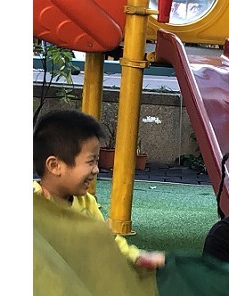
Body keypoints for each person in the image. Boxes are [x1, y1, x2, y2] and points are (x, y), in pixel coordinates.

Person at [33, 109, 165, 269]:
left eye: (97, 161)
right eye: (90, 162)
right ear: (55, 166)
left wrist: (135, 257)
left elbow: (105, 239)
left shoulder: (86, 203)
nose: (96, 170)